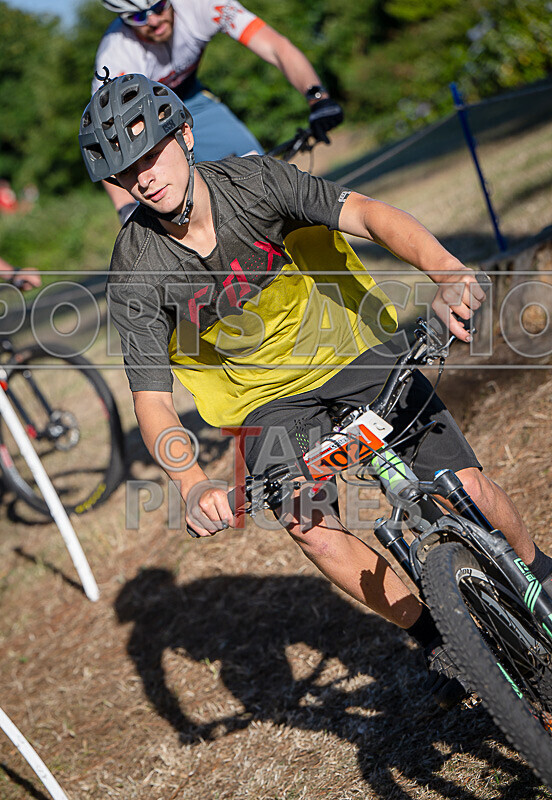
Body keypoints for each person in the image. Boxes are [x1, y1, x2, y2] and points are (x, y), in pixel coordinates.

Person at [80, 74, 552, 707]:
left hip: (350, 342)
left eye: (152, 152)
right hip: (266, 402)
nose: (145, 176)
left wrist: (447, 270)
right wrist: (190, 483)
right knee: (310, 525)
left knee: (461, 489)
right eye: (126, 171)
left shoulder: (254, 182)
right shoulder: (137, 265)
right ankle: (444, 636)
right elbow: (151, 397)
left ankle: (540, 579)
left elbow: (365, 214)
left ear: (184, 135)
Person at [94, 0, 344, 224]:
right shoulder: (116, 55)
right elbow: (108, 142)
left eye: (159, 6)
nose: (154, 20)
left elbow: (275, 47)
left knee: (258, 171)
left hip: (193, 98)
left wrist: (317, 98)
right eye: (138, 18)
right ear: (123, 19)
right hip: (148, 120)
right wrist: (125, 207)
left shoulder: (200, 5)